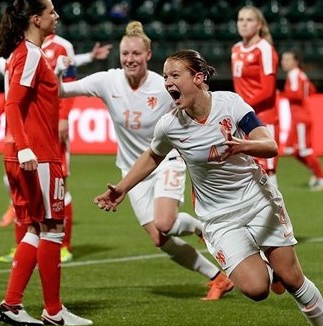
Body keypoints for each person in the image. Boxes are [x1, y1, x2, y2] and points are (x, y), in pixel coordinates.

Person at [94, 49, 323, 326]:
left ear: (198, 78)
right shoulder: (169, 125)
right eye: (165, 77)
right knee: (256, 290)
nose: (167, 82)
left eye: (175, 75)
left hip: (258, 202)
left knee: (294, 278)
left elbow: (270, 146)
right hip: (218, 218)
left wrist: (245, 145)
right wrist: (121, 188)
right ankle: (272, 273)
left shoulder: (230, 104)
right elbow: (152, 156)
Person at [60, 21, 234, 301]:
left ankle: (201, 227)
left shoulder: (162, 85)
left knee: (165, 223)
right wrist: (60, 71)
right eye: (125, 54)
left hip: (166, 160)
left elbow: (197, 104)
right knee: (159, 238)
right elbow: (63, 91)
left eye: (136, 54)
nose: (130, 59)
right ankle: (218, 277)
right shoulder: (107, 81)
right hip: (133, 170)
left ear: (148, 55)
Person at [0, 30, 112, 264]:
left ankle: (63, 246)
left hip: (51, 130)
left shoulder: (61, 46)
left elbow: (69, 78)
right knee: (19, 189)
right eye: (50, 11)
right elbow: (7, 82)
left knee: (60, 189)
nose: (55, 15)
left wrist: (64, 117)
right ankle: (22, 246)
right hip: (25, 132)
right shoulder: (20, 52)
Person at [0, 0, 92, 326]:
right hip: (38, 154)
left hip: (23, 152)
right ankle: (54, 310)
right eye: (50, 11)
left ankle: (12, 304)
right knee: (53, 228)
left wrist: (57, 75)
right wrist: (25, 148)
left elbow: (26, 98)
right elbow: (13, 104)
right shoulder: (32, 54)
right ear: (36, 18)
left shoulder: (21, 53)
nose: (57, 15)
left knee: (36, 228)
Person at [231, 5, 280, 187]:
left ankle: (277, 214)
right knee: (245, 169)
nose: (243, 24)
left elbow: (267, 91)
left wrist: (240, 106)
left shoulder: (265, 49)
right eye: (240, 19)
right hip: (243, 117)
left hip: (263, 118)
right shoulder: (236, 49)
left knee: (267, 170)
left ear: (259, 24)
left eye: (249, 20)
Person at [279, 49, 323, 191]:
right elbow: (312, 89)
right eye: (283, 59)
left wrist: (281, 93)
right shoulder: (301, 74)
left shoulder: (294, 74)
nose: (284, 62)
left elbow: (297, 94)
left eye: (288, 59)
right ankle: (316, 173)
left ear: (296, 61)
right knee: (291, 150)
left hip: (300, 118)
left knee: (305, 150)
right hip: (298, 118)